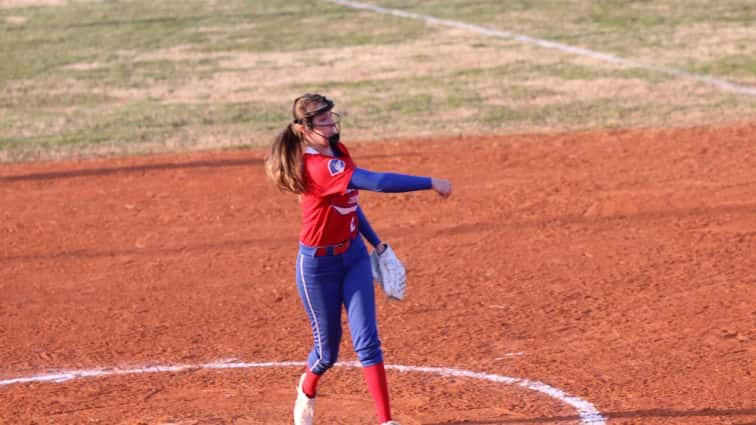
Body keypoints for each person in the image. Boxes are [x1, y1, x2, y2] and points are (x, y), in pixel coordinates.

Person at [264, 93, 452, 425]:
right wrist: (431, 182)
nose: (331, 124)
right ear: (304, 129)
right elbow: (376, 183)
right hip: (318, 267)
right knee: (327, 353)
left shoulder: (336, 151)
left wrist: (375, 243)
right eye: (322, 121)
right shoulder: (316, 166)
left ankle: (386, 421)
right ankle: (307, 388)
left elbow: (350, 201)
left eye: (331, 117)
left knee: (368, 341)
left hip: (353, 256)